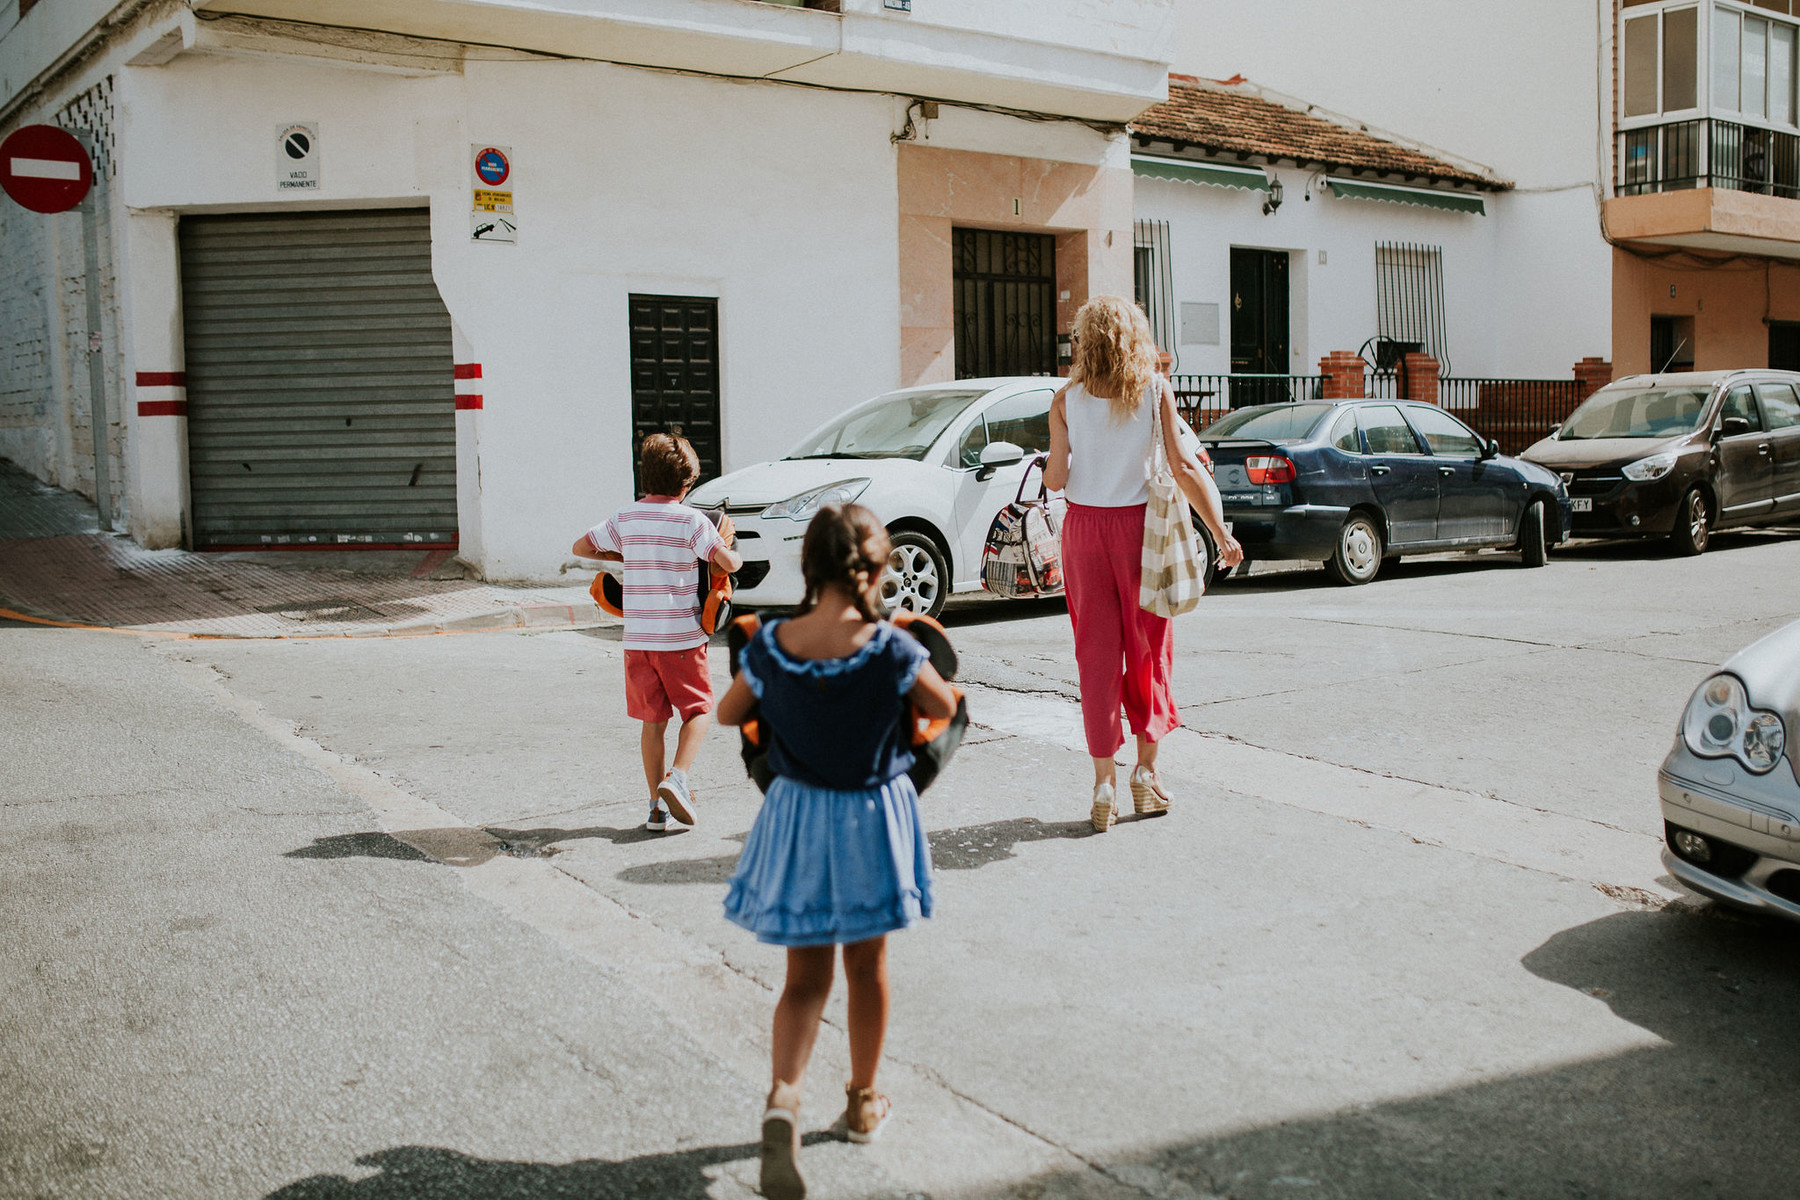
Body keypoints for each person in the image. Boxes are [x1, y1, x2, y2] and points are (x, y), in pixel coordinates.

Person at [714, 503, 957, 1200]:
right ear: (878, 569)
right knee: (867, 966)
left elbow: (730, 713)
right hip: (871, 818)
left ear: (807, 565)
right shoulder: (891, 648)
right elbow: (941, 704)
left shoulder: (772, 644)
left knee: (803, 980)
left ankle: (784, 1098)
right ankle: (861, 1099)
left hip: (797, 818)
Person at [1043, 296, 1243, 833]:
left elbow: (1057, 481)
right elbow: (1181, 464)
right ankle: (1146, 776)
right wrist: (1220, 531)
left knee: (1096, 657)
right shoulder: (1154, 390)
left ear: (1085, 340)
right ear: (1135, 339)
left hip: (1084, 533)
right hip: (1140, 532)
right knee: (1148, 649)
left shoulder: (1064, 399)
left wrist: (1061, 455)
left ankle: (1102, 782)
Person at [572, 432, 742, 830]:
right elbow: (727, 564)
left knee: (654, 723)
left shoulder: (626, 517)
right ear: (687, 483)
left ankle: (655, 808)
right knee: (699, 710)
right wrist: (733, 552)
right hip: (680, 639)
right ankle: (678, 779)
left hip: (637, 643)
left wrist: (625, 550)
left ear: (644, 476)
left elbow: (581, 547)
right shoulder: (692, 520)